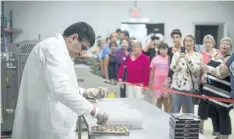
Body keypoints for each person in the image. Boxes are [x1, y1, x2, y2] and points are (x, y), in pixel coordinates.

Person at [11, 22, 108, 139]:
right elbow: (60, 89)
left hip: (53, 121)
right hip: (48, 124)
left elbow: (60, 85)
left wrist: (86, 92)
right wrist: (93, 111)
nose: (82, 53)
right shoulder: (53, 48)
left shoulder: (61, 51)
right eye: (83, 47)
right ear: (74, 38)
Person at [202, 37, 233, 139]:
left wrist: (208, 69)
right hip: (212, 93)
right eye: (223, 43)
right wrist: (205, 74)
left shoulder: (229, 58)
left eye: (227, 44)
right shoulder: (216, 56)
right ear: (219, 46)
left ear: (231, 48)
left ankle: (224, 136)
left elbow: (221, 74)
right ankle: (218, 135)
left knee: (223, 116)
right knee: (214, 116)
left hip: (223, 95)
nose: (224, 45)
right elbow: (207, 69)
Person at [170, 35, 203, 114]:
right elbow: (172, 68)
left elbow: (196, 70)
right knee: (175, 110)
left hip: (191, 88)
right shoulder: (176, 54)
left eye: (190, 41)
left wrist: (187, 59)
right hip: (177, 87)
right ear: (184, 43)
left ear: (194, 43)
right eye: (186, 41)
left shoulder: (198, 55)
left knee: (190, 112)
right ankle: (175, 126)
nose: (188, 43)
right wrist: (178, 59)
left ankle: (189, 126)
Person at [150, 42, 170, 112]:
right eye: (161, 49)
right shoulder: (155, 58)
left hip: (166, 83)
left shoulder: (169, 58)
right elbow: (152, 71)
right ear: (159, 50)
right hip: (157, 82)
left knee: (166, 99)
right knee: (158, 99)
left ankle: (166, 114)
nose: (163, 50)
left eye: (164, 49)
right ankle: (157, 114)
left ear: (167, 50)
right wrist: (151, 82)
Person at [167, 29, 184, 113]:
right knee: (171, 99)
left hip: (182, 76)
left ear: (181, 38)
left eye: (177, 37)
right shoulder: (169, 49)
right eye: (173, 37)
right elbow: (168, 63)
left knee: (183, 100)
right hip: (171, 76)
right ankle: (170, 118)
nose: (175, 39)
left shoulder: (184, 49)